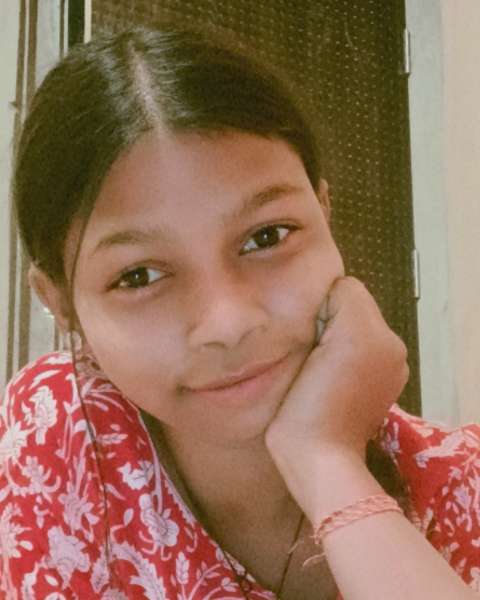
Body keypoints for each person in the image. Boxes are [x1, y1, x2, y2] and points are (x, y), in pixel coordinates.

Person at [1, 25, 479, 600]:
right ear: (59, 302)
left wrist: (327, 464)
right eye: (139, 276)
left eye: (266, 236)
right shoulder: (59, 435)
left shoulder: (464, 484)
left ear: (324, 213)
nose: (228, 323)